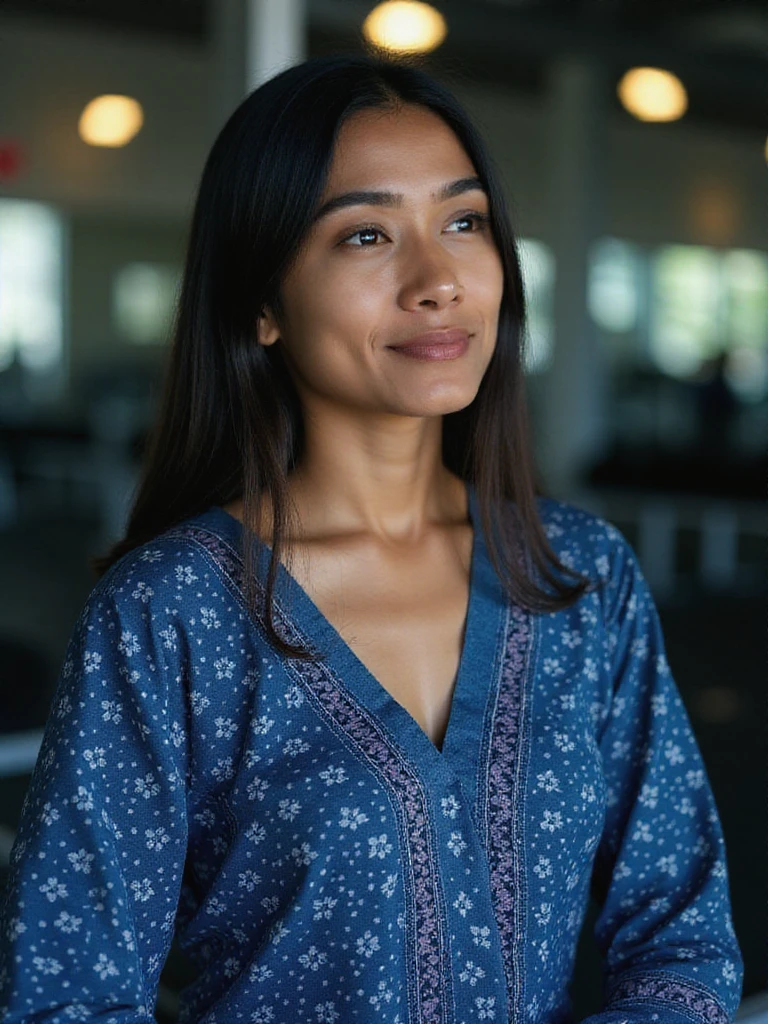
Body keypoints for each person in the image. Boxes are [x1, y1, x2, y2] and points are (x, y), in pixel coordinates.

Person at [0, 53, 742, 1024]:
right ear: (259, 302)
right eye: (364, 234)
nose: (437, 279)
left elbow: (681, 931)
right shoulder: (167, 612)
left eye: (464, 221)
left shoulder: (579, 573)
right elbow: (66, 995)